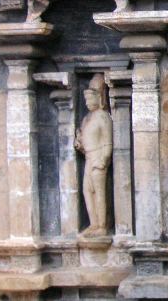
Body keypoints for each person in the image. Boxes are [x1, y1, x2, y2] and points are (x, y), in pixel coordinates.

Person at [75, 74, 113, 236]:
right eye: (86, 100)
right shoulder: (86, 119)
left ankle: (102, 226)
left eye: (91, 99)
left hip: (98, 158)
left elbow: (108, 142)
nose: (88, 103)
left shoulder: (103, 117)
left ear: (99, 99)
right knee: (87, 191)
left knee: (99, 192)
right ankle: (93, 223)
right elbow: (85, 142)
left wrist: (103, 159)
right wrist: (80, 143)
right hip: (89, 157)